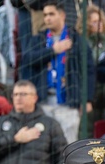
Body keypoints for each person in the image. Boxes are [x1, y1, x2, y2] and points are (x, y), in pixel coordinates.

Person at [21, 1, 96, 144]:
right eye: (45, 15)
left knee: (68, 145)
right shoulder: (39, 39)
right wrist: (53, 51)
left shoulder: (76, 39)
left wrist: (87, 99)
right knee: (42, 144)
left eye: (51, 14)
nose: (47, 18)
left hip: (69, 102)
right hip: (43, 102)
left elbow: (89, 70)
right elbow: (27, 60)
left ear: (62, 15)